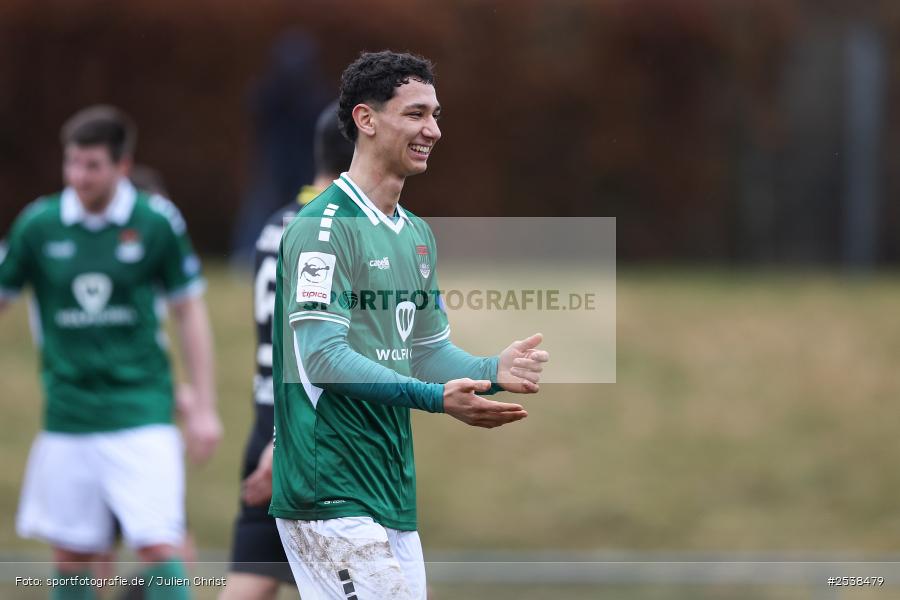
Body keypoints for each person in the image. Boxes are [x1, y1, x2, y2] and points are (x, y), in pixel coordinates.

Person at [270, 51, 550, 599]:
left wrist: (493, 369)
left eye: (436, 115)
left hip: (389, 491)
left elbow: (425, 349)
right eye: (416, 114)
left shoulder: (415, 234)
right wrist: (434, 398)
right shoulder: (322, 229)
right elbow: (322, 358)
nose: (434, 130)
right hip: (329, 486)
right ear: (366, 120)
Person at [0, 105, 222, 600]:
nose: (79, 176)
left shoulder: (154, 222)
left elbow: (189, 311)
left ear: (123, 166)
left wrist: (204, 407)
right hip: (68, 415)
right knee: (73, 557)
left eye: (92, 165)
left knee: (160, 546)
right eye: (72, 164)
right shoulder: (39, 226)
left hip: (140, 411)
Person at [221, 100, 354, 600]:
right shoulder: (338, 231)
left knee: (251, 582)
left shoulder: (276, 224)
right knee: (387, 586)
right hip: (309, 436)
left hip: (265, 423)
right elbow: (318, 350)